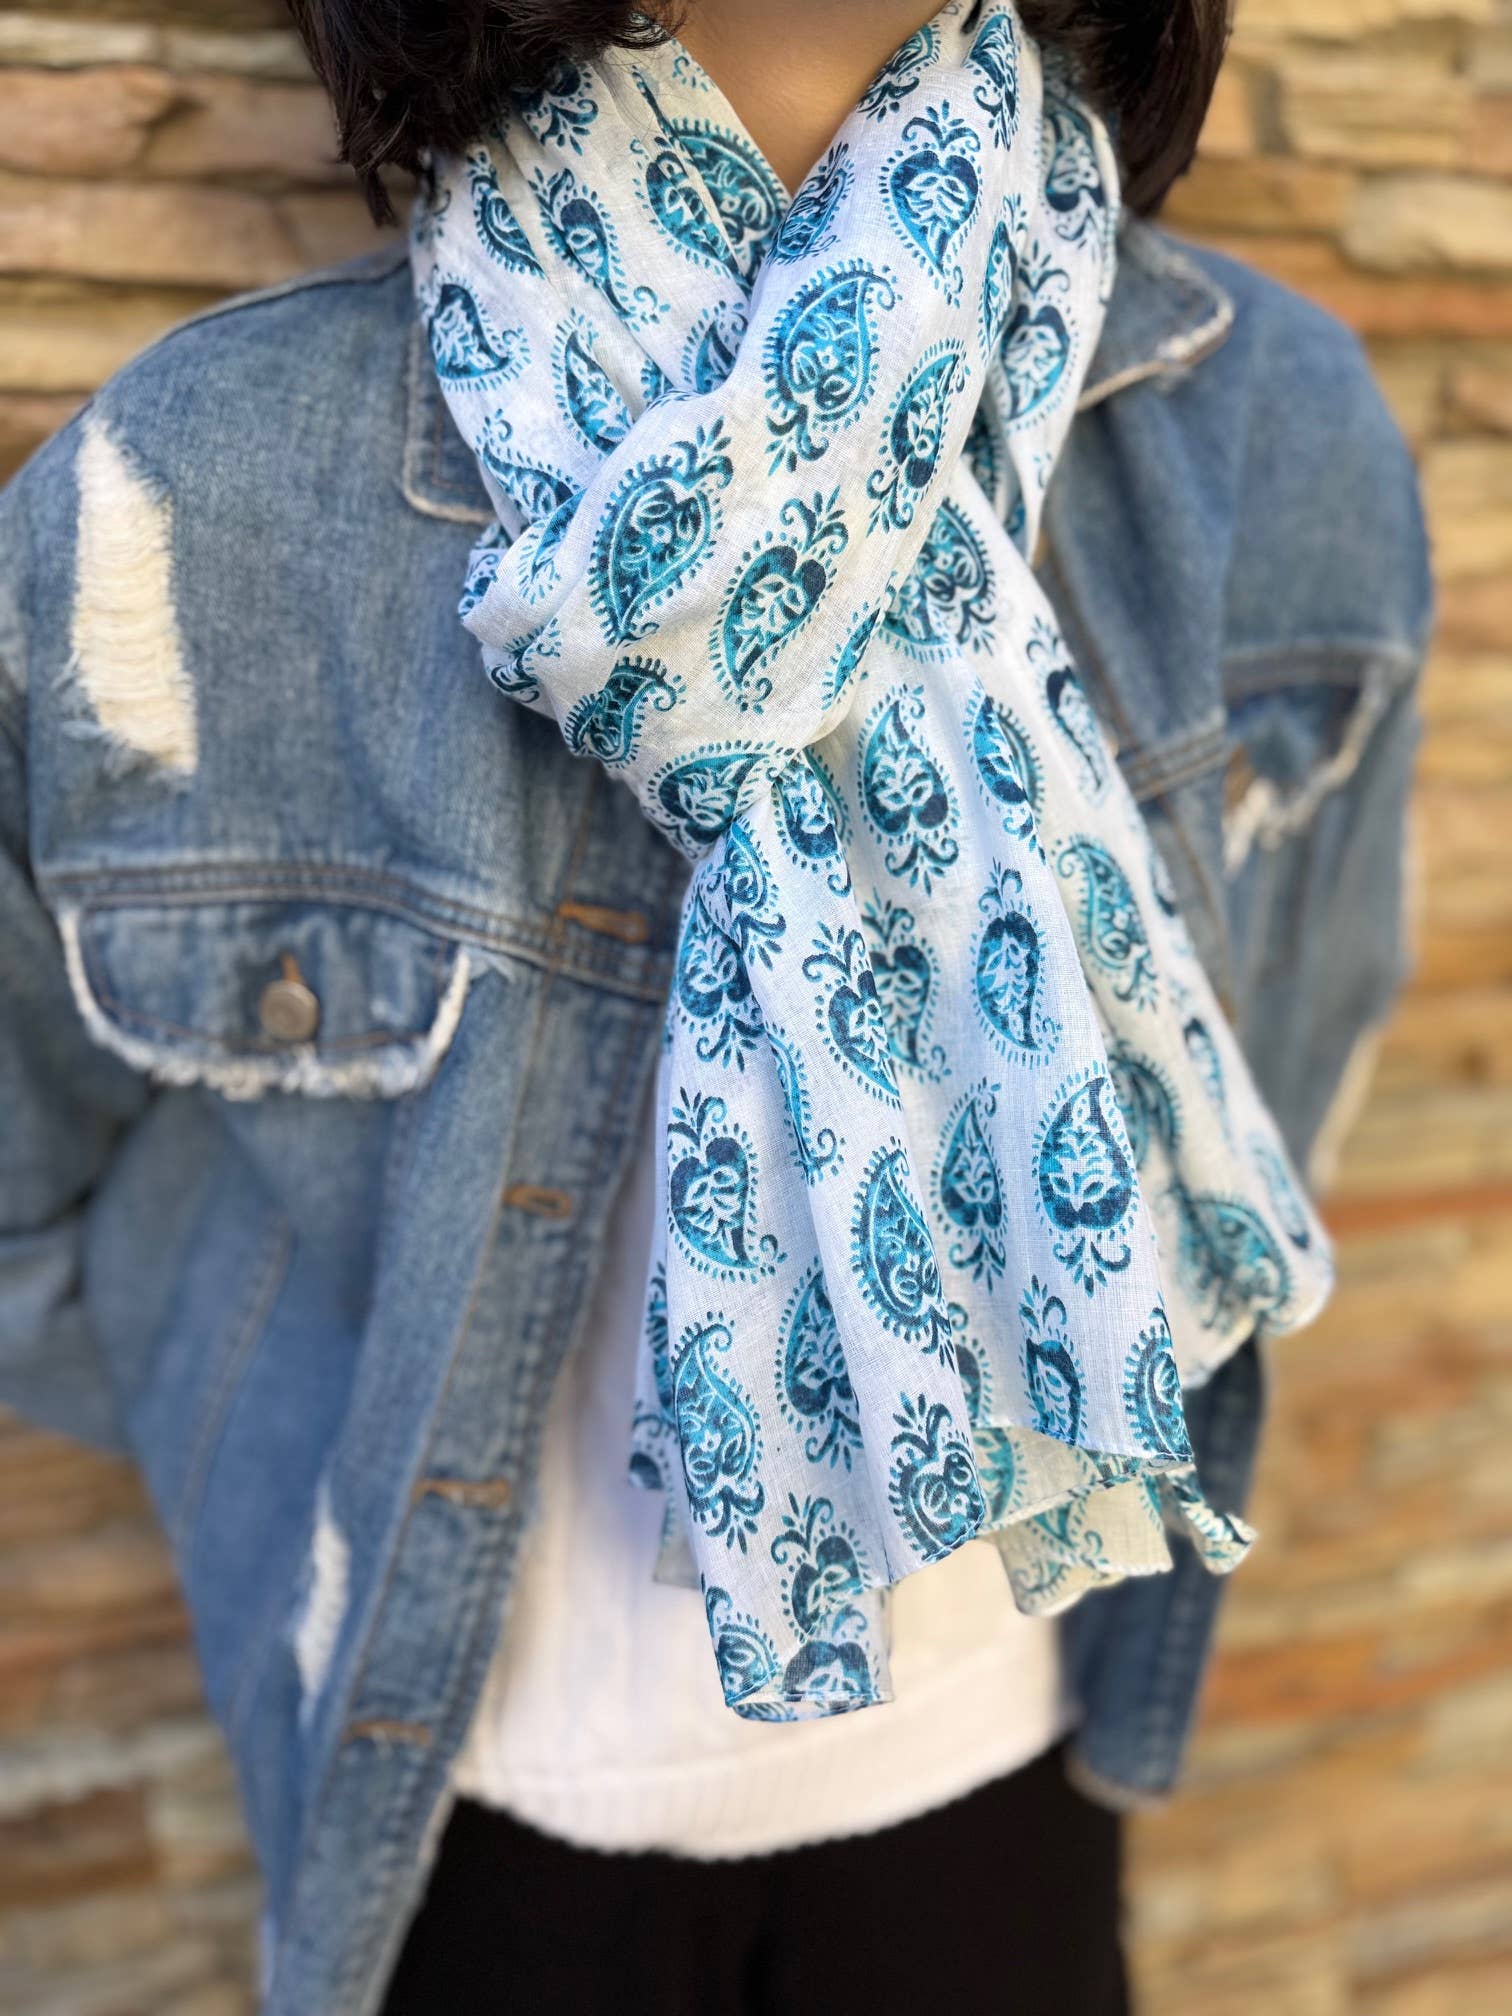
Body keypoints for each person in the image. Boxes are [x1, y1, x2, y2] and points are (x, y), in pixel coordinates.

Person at [0, 2, 1430, 2012]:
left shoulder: (1263, 430)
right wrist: (268, 1451)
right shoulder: (205, 493)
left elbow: (1304, 1026)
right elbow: (31, 1189)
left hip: (997, 1774)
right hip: (474, 1824)